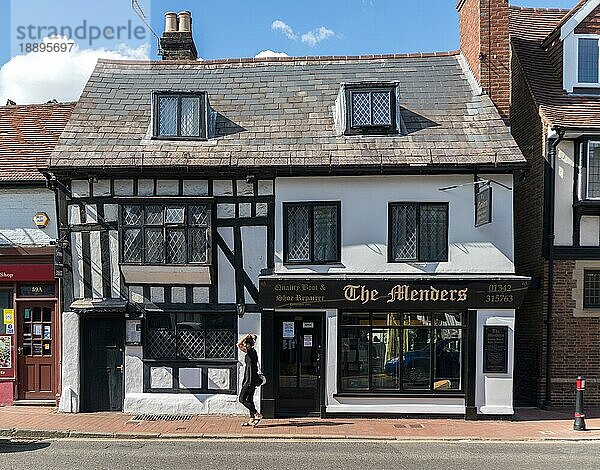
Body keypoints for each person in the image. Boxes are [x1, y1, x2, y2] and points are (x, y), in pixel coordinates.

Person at [237, 333, 263, 426]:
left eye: (245, 344)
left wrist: (245, 337)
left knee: (242, 399)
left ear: (248, 344)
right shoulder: (253, 351)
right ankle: (252, 419)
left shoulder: (250, 351)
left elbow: (238, 345)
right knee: (250, 399)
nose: (244, 345)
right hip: (252, 378)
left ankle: (256, 414)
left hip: (249, 379)